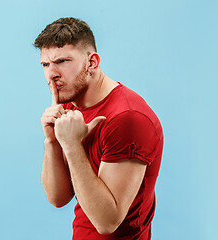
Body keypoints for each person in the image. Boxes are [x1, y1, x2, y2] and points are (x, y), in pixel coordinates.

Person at [34, 17, 163, 240]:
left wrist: (73, 145)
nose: (51, 74)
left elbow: (107, 222)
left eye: (62, 61)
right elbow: (58, 198)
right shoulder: (69, 103)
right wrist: (52, 141)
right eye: (45, 64)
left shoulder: (127, 118)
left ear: (92, 63)